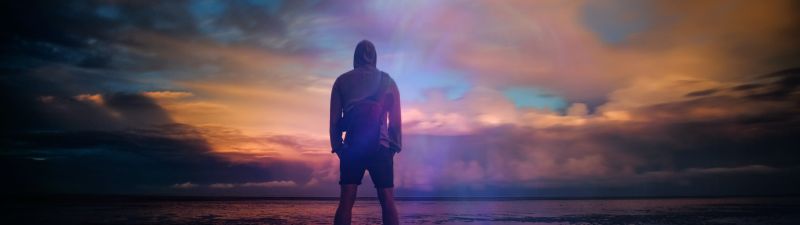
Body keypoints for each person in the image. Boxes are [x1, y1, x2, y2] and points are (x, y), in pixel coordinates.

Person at [330, 40, 402, 225]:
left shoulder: (341, 81)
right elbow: (395, 119)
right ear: (375, 57)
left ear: (355, 56)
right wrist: (394, 146)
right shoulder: (388, 81)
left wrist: (338, 147)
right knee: (387, 200)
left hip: (352, 148)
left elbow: (335, 121)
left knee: (346, 201)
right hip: (381, 146)